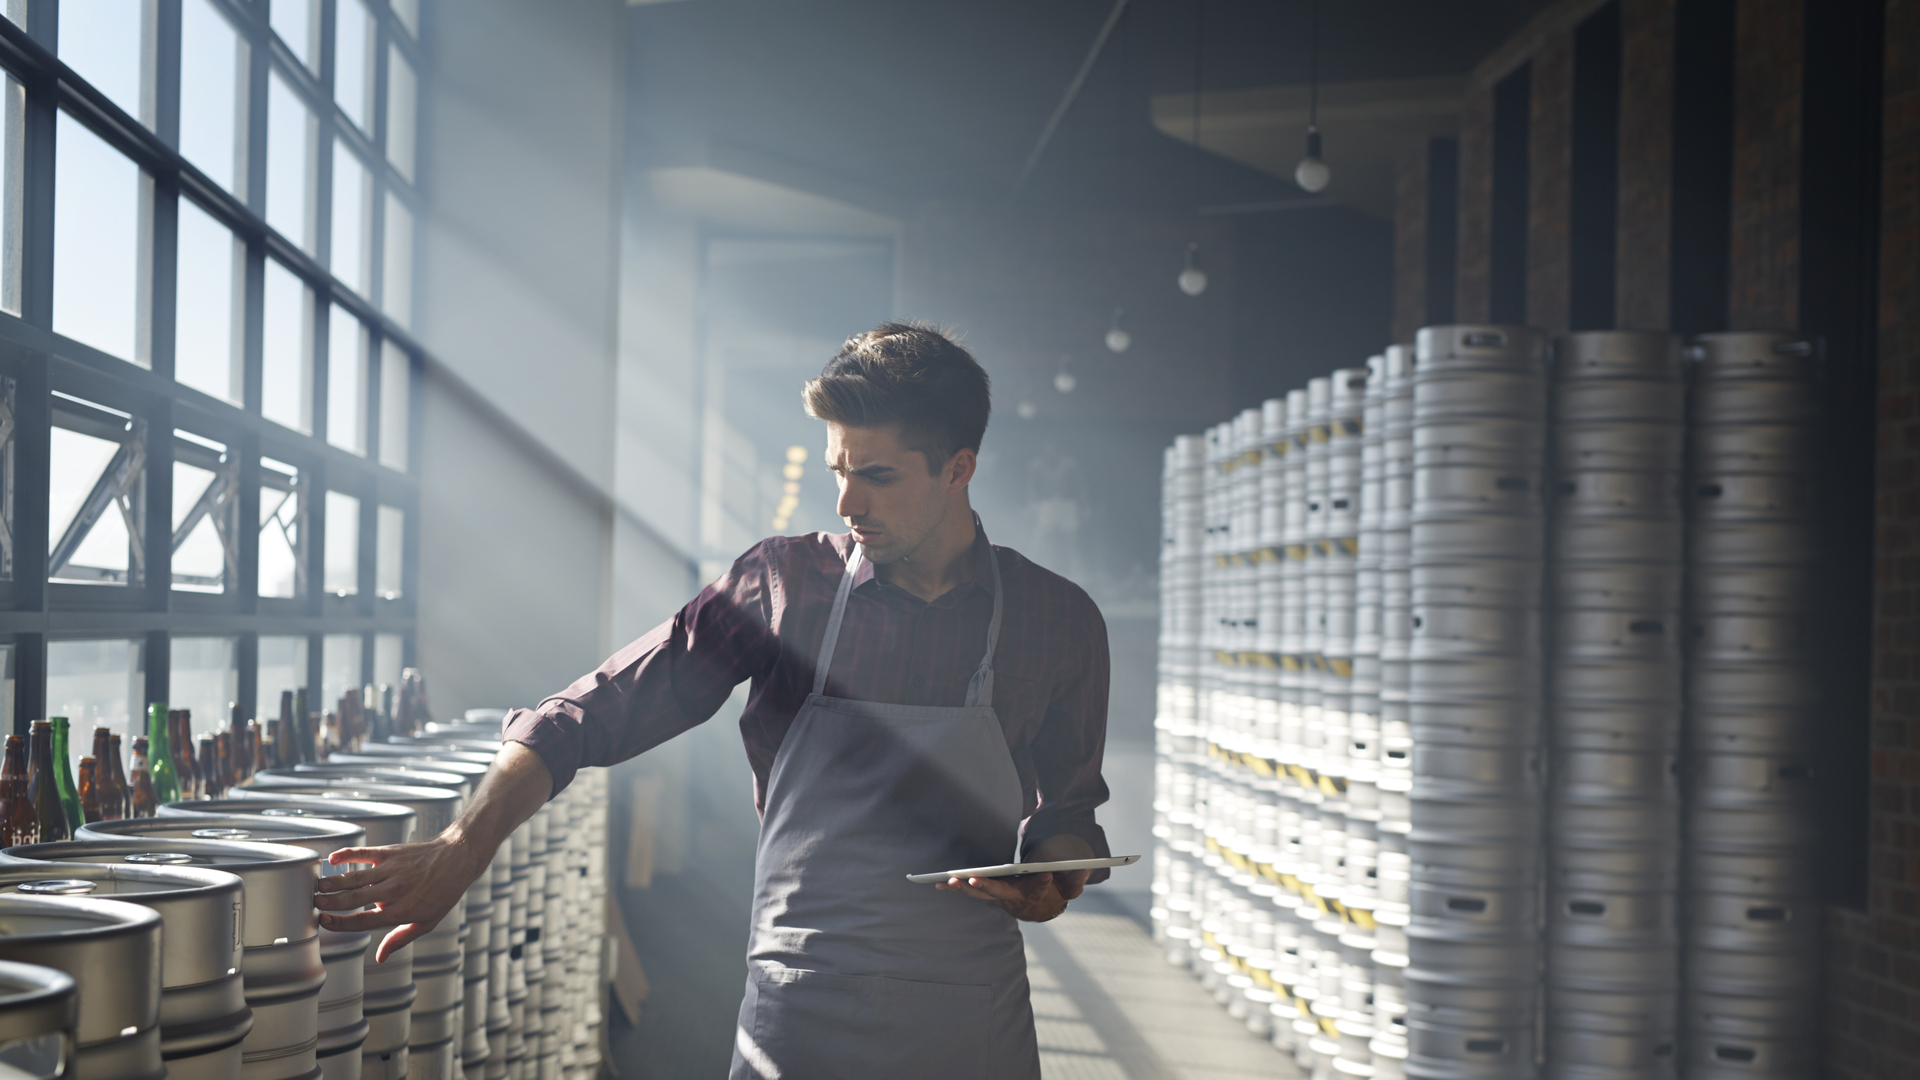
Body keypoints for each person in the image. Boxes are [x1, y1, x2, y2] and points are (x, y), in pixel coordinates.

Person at [315, 322, 1114, 1079]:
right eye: (839, 470)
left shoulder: (1058, 621)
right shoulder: (785, 587)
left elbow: (1066, 815)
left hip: (968, 1016)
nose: (847, 504)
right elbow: (597, 709)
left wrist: (1049, 881)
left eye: (877, 476)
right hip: (802, 1000)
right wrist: (464, 844)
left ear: (958, 468)